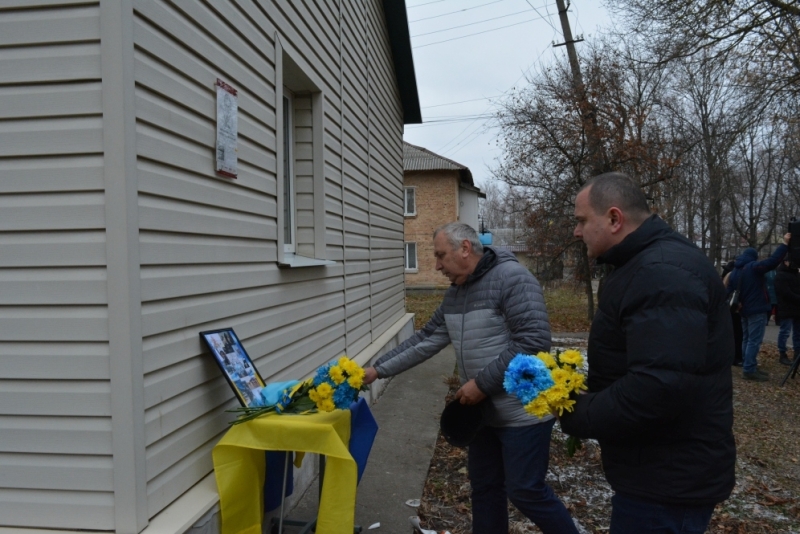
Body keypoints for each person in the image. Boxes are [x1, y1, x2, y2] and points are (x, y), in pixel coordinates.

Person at [363, 222, 577, 534]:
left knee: (525, 492)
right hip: (483, 416)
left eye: (440, 256)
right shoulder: (456, 295)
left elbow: (532, 341)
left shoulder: (512, 279)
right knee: (486, 490)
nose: (436, 266)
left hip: (522, 415)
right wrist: (377, 369)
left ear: (465, 249)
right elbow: (426, 339)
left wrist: (481, 384)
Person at [559, 172, 736, 534]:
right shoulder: (645, 265)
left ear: (613, 218)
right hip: (659, 470)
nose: (576, 232)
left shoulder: (661, 273)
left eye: (581, 221)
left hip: (668, 480)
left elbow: (658, 386)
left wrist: (580, 412)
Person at [727, 241, 790, 381]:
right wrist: (785, 244)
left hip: (743, 310)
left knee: (747, 339)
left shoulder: (735, 271)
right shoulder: (753, 267)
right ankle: (749, 369)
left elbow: (728, 291)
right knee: (754, 341)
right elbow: (772, 261)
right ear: (754, 257)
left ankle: (748, 365)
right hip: (757, 308)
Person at [776, 260, 800, 365]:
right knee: (785, 332)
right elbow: (785, 292)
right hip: (786, 308)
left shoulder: (796, 274)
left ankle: (797, 353)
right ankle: (782, 354)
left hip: (796, 308)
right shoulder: (781, 275)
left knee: (797, 332)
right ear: (786, 262)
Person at [722, 260, 744, 366]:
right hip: (734, 307)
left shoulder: (727, 275)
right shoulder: (735, 275)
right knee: (738, 333)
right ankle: (737, 357)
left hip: (728, 307)